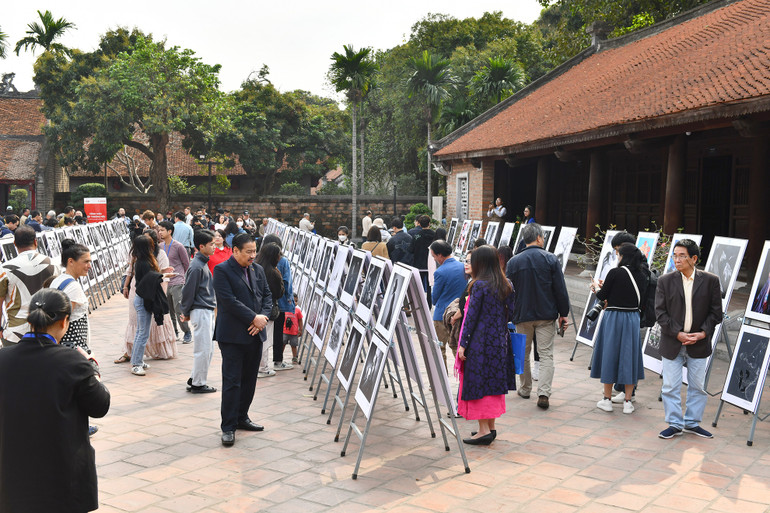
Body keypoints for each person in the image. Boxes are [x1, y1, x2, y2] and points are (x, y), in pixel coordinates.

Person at [0, 289, 110, 513]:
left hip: (13, 474)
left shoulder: (3, 359)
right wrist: (92, 369)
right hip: (63, 477)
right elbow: (100, 405)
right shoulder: (74, 362)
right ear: (64, 321)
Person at [656, 239, 722, 439]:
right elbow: (660, 313)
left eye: (682, 255)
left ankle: (692, 423)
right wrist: (677, 333)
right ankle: (674, 424)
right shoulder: (665, 281)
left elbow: (716, 313)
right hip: (672, 341)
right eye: (675, 255)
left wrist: (702, 333)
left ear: (694, 258)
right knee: (670, 386)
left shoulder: (710, 280)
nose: (677, 259)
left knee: (698, 387)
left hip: (699, 343)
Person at [214, 233, 272, 446]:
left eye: (254, 251)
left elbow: (267, 295)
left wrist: (263, 318)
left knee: (249, 380)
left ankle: (242, 417)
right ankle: (228, 426)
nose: (253, 256)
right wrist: (253, 318)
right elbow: (228, 301)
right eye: (248, 252)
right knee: (232, 382)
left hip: (256, 334)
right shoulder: (222, 270)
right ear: (235, 250)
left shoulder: (257, 270)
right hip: (232, 336)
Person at [456, 245, 516, 445]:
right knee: (494, 384)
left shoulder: (479, 285)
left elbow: (471, 318)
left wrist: (463, 344)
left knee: (479, 385)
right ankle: (491, 428)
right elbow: (513, 313)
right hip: (500, 340)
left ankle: (483, 431)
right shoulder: (507, 284)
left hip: (480, 343)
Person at [505, 223, 569, 410]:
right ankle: (543, 392)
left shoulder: (513, 262)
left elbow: (508, 291)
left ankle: (525, 389)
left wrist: (509, 313)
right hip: (546, 314)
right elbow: (560, 290)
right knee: (546, 353)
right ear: (540, 238)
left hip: (522, 314)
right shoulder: (550, 259)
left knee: (523, 353)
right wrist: (563, 313)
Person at [590, 243, 648, 414]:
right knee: (629, 357)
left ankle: (607, 399)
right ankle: (628, 402)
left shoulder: (615, 272)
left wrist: (596, 287)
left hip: (614, 317)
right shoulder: (642, 275)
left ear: (623, 256)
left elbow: (602, 295)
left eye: (619, 254)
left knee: (610, 355)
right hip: (632, 318)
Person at [0, 226, 60, 346]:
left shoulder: (5, 268)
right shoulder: (53, 264)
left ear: (15, 243)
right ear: (35, 241)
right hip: (47, 331)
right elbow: (59, 299)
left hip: (15, 333)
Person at [180, 229, 217, 394]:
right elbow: (188, 291)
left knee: (208, 348)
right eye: (211, 244)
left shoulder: (201, 263)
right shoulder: (196, 266)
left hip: (205, 309)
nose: (214, 247)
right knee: (203, 348)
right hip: (200, 310)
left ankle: (195, 377)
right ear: (201, 247)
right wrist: (185, 311)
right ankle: (198, 383)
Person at [127, 234, 167, 376]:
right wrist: (162, 276)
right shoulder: (143, 262)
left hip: (143, 298)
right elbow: (147, 281)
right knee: (142, 333)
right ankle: (136, 363)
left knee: (142, 332)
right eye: (151, 244)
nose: (153, 246)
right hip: (143, 299)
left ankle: (137, 360)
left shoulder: (143, 260)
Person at [430, 240, 467, 372]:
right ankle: (463, 376)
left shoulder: (440, 272)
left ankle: (441, 378)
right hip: (459, 313)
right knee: (458, 348)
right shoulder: (463, 267)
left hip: (442, 315)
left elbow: (434, 298)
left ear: (440, 255)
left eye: (434, 256)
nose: (434, 259)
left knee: (440, 348)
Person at [51, 239, 93, 354]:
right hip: (74, 346)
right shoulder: (73, 287)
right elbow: (63, 320)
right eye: (86, 262)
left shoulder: (58, 280)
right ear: (71, 261)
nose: (89, 266)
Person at [263, 233, 295, 372]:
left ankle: (263, 363)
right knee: (278, 333)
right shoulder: (283, 261)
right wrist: (290, 299)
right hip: (280, 302)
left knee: (265, 333)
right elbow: (287, 282)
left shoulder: (260, 259)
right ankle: (278, 361)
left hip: (265, 303)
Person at [158, 221, 192, 344]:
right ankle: (174, 332)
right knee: (167, 310)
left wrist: (183, 278)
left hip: (177, 281)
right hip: (164, 282)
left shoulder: (178, 246)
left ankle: (187, 332)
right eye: (159, 230)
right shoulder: (160, 246)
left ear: (169, 231)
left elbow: (186, 264)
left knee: (179, 309)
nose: (160, 232)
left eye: (162, 230)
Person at [256, 241, 286, 377]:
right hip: (268, 310)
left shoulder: (256, 267)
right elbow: (279, 292)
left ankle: (258, 366)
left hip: (256, 309)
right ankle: (263, 368)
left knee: (258, 339)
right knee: (266, 340)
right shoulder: (272, 272)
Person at [412, 215, 436, 293]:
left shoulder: (416, 236)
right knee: (430, 285)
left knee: (419, 287)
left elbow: (410, 249)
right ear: (429, 224)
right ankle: (429, 304)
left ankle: (420, 304)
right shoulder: (434, 235)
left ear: (419, 224)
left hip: (418, 264)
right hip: (431, 264)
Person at [283, 293, 303, 364]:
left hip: (294, 332)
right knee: (283, 344)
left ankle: (295, 357)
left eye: (296, 301)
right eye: (293, 301)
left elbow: (300, 320)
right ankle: (280, 356)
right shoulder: (285, 309)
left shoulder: (298, 311)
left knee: (294, 345)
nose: (295, 303)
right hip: (285, 331)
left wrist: (301, 329)